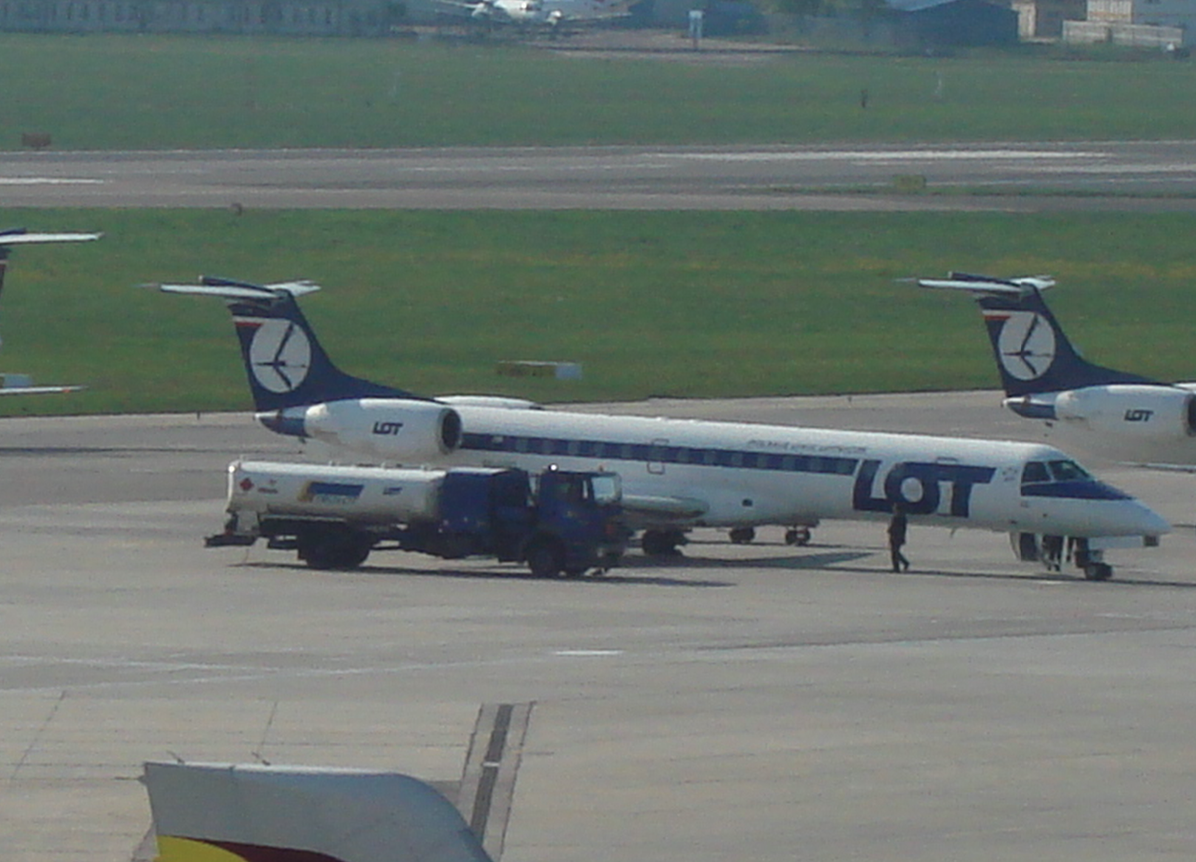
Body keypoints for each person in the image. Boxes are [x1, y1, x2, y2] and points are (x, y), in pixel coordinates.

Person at [887, 504, 910, 573]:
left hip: (896, 537)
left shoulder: (898, 518)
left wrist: (890, 530)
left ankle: (896, 568)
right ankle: (904, 563)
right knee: (895, 552)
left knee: (895, 553)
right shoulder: (901, 518)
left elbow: (896, 528)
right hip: (896, 537)